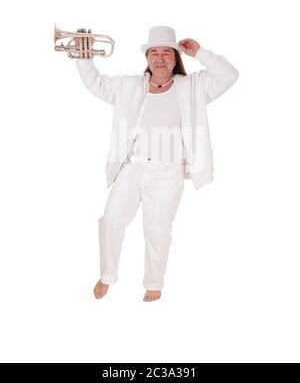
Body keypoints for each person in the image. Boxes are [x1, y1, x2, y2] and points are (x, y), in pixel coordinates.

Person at [75, 26, 239, 302]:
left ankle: (153, 282)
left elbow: (229, 75)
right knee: (111, 219)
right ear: (147, 58)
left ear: (176, 58)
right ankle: (107, 276)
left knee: (157, 230)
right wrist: (83, 55)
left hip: (167, 173)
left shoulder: (194, 87)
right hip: (132, 168)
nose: (160, 58)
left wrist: (200, 52)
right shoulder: (130, 86)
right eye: (154, 53)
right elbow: (96, 84)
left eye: (166, 53)